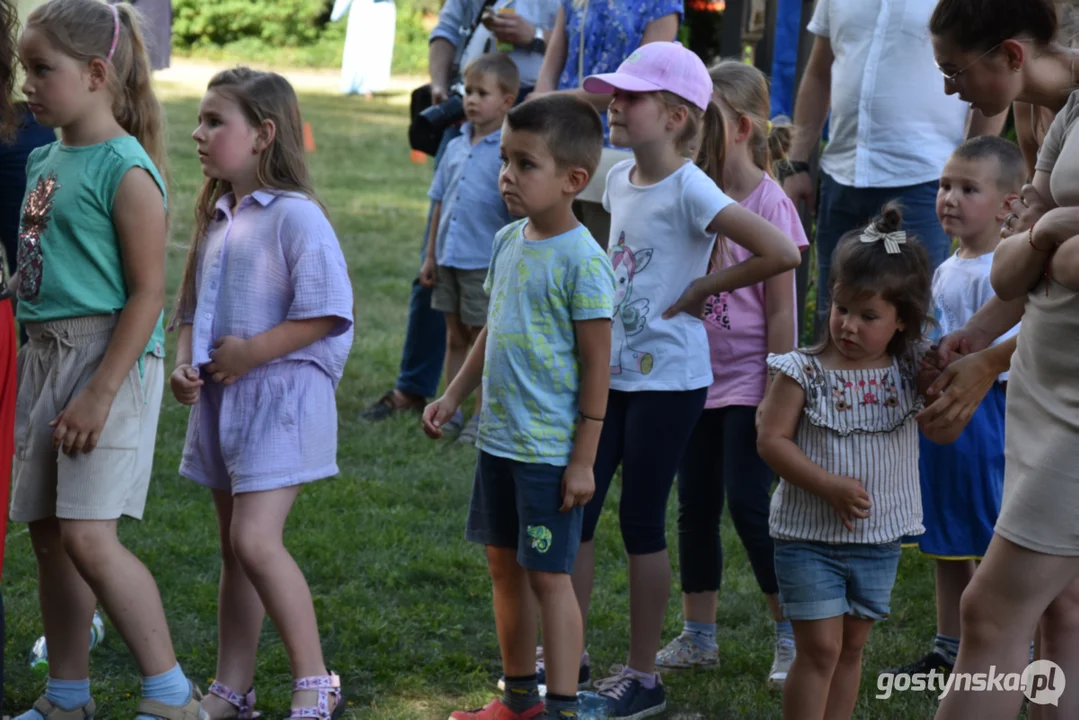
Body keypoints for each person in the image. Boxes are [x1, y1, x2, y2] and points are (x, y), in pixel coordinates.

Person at [566, 42, 800, 719]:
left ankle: (642, 676)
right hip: (608, 374)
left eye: (630, 96)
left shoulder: (693, 186)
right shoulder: (613, 179)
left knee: (641, 520)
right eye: (614, 93)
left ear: (674, 115)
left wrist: (704, 285)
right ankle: (569, 652)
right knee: (577, 507)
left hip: (669, 381)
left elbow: (779, 252)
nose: (614, 104)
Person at [8, 1, 205, 718]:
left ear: (96, 74)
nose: (26, 83)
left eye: (41, 70)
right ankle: (67, 698)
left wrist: (98, 391)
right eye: (24, 68)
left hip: (106, 364)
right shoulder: (43, 156)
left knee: (90, 538)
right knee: (51, 541)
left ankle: (171, 697)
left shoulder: (127, 169)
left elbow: (149, 295)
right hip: (44, 359)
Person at [423, 92, 615, 720]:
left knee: (548, 578)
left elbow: (597, 367)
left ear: (573, 180)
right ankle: (520, 701)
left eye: (524, 164)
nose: (506, 175)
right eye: (505, 160)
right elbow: (493, 329)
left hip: (548, 457)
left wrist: (583, 460)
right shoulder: (508, 240)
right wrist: (454, 395)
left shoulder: (584, 262)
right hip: (497, 446)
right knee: (504, 570)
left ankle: (560, 706)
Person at [171, 67, 354, 720]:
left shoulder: (296, 219)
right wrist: (185, 364)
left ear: (263, 135)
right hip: (225, 407)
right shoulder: (217, 217)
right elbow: (190, 309)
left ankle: (313, 682)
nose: (197, 132)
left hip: (281, 404)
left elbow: (327, 312)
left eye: (215, 121)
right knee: (233, 548)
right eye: (200, 119)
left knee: (255, 541)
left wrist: (252, 352)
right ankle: (233, 687)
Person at [757, 203, 962, 720]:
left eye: (868, 316)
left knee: (850, 649)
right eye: (841, 308)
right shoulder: (801, 371)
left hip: (878, 539)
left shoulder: (911, 368)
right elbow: (771, 440)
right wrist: (825, 484)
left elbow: (945, 405)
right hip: (809, 537)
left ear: (901, 323)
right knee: (820, 649)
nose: (848, 325)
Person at [654, 60, 808, 688]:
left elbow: (781, 312)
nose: (688, 131)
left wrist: (777, 390)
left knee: (750, 504)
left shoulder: (770, 204)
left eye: (700, 118)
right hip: (691, 378)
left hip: (750, 382)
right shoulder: (687, 188)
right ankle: (698, 634)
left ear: (739, 127)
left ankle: (791, 630)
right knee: (694, 506)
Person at [361, 0, 559, 421]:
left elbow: (571, 42)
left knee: (491, 316)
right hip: (468, 105)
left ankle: (491, 411)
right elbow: (447, 28)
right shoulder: (458, 135)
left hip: (530, 103)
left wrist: (534, 37)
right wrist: (443, 85)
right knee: (436, 275)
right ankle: (418, 390)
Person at [883, 136, 1024, 680]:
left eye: (968, 189)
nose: (949, 198)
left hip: (993, 412)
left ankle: (1018, 645)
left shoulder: (1007, 269)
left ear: (1009, 204)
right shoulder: (946, 265)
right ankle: (948, 646)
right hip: (944, 415)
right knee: (948, 532)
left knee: (994, 531)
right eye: (945, 186)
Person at [782, 0, 1007, 336]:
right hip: (842, 176)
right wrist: (797, 160)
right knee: (838, 322)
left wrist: (972, 176)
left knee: (913, 329)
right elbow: (819, 71)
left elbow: (994, 76)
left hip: (924, 183)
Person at [419, 53, 517, 445]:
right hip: (449, 258)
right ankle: (451, 409)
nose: (471, 100)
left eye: (482, 93)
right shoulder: (455, 146)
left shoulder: (506, 152)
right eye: (467, 92)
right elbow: (439, 202)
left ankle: (482, 415)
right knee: (455, 337)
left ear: (508, 101)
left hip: (482, 261)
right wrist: (430, 256)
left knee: (483, 340)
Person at [532, 0, 683, 250]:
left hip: (617, 142)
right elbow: (549, 70)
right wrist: (540, 113)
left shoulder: (661, 4)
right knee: (550, 256)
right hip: (560, 139)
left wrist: (553, 99)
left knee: (599, 257)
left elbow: (642, 82)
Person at [331, 0, 396, 97]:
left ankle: (369, 86)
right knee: (358, 48)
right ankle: (354, 85)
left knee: (378, 50)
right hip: (363, 10)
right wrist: (337, 13)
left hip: (382, 10)